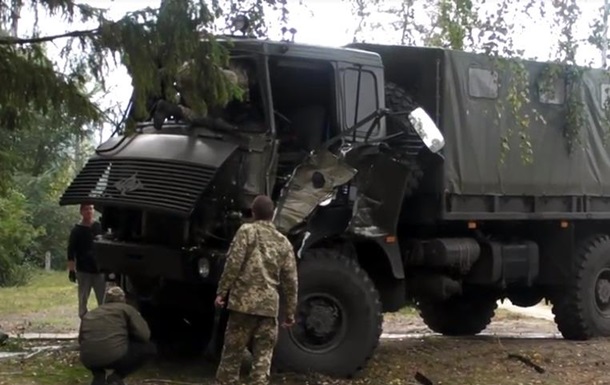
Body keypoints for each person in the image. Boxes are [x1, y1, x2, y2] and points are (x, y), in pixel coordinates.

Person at [214, 195, 299, 385]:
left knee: (231, 361)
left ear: (253, 213)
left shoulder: (246, 232)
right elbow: (291, 281)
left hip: (242, 307)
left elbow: (233, 264)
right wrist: (290, 312)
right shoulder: (283, 243)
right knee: (262, 364)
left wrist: (222, 292)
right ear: (273, 214)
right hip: (268, 310)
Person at [78, 286, 156, 385]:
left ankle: (99, 375)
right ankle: (116, 377)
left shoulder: (92, 313)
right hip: (114, 356)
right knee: (149, 348)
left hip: (88, 359)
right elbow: (145, 335)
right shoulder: (126, 309)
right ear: (123, 299)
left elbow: (81, 340)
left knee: (97, 349)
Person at [67, 203, 106, 318]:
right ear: (81, 212)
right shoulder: (77, 230)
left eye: (91, 209)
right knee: (83, 298)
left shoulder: (99, 227)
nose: (89, 211)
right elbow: (71, 251)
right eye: (86, 209)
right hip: (84, 270)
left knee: (102, 299)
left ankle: (104, 320)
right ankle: (84, 320)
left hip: (99, 269)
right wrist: (71, 270)